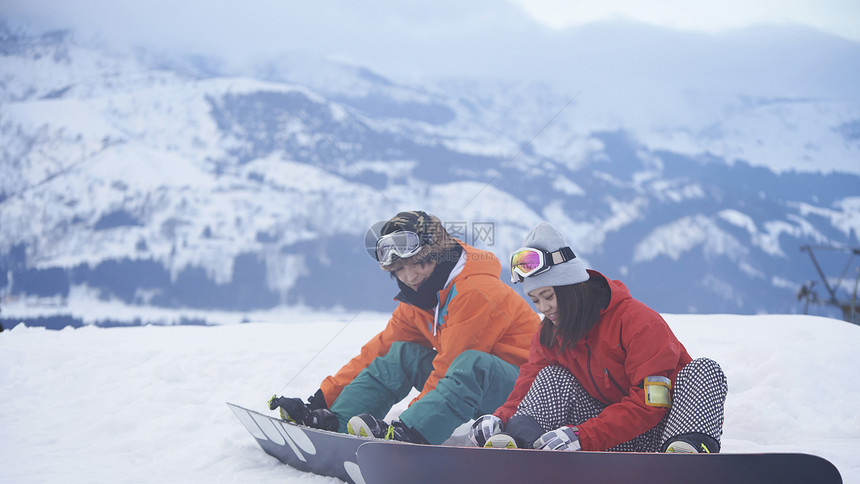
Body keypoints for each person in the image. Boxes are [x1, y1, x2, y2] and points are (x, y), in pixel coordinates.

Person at [270, 210, 541, 445]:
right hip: (477, 386)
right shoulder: (422, 297)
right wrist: (320, 402)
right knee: (401, 354)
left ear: (439, 254)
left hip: (527, 395)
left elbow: (454, 366)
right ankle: (338, 425)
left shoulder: (476, 291)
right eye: (400, 268)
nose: (411, 276)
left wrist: (408, 426)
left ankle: (411, 436)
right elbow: (376, 352)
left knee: (470, 363)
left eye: (419, 262)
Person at [469, 222, 727, 453]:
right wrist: (501, 419)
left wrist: (587, 435)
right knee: (551, 377)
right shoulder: (549, 335)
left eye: (548, 296)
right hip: (607, 436)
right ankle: (520, 446)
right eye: (535, 300)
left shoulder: (638, 321)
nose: (543, 308)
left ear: (571, 288)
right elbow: (528, 384)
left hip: (666, 431)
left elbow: (654, 402)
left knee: (704, 370)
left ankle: (687, 453)